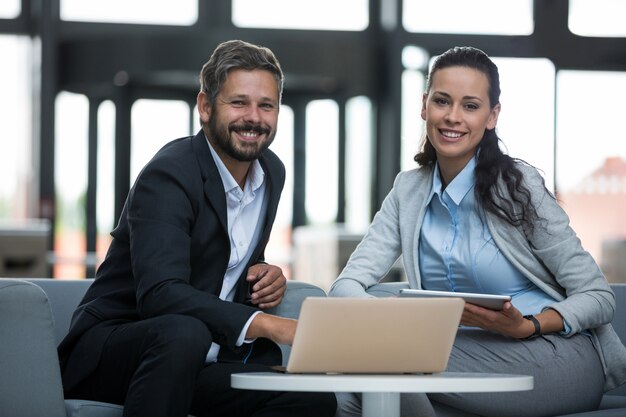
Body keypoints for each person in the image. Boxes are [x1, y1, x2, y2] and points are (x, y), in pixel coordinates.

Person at [329, 46, 626, 417]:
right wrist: (387, 317)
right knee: (351, 398)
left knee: (375, 366)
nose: (453, 117)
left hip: (550, 354)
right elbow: (345, 285)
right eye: (442, 101)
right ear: (424, 106)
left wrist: (529, 325)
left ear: (492, 116)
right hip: (448, 357)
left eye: (470, 106)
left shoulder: (519, 188)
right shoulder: (408, 191)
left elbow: (598, 297)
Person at [58, 39, 336, 417]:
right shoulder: (170, 174)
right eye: (239, 102)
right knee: (183, 333)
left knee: (311, 398)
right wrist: (268, 324)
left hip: (199, 357)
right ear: (205, 107)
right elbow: (160, 293)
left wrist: (265, 271)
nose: (254, 117)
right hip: (117, 349)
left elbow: (227, 254)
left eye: (266, 105)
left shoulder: (272, 172)